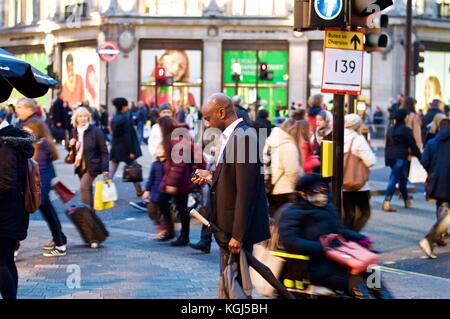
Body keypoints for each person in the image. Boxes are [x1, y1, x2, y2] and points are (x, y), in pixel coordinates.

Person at [192, 93, 270, 296]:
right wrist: (210, 176)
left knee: (237, 284)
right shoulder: (231, 136)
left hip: (235, 230)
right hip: (225, 226)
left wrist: (238, 234)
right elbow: (231, 177)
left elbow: (246, 190)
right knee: (229, 280)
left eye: (208, 118)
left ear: (221, 112)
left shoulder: (244, 137)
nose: (207, 124)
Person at [278, 174, 392, 299]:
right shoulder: (292, 212)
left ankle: (384, 296)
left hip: (339, 258)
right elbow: (291, 242)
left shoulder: (329, 208)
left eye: (324, 191)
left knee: (372, 273)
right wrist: (322, 248)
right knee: (357, 284)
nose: (321, 195)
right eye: (316, 192)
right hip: (314, 264)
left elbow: (339, 230)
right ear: (303, 193)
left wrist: (360, 239)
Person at [0, 119, 35, 299]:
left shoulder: (6, 145)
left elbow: (6, 183)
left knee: (2, 263)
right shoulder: (12, 139)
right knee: (6, 260)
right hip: (12, 211)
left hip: (6, 212)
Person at [23, 120, 68, 257]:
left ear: (36, 130)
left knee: (48, 213)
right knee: (50, 214)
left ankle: (60, 246)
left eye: (29, 131)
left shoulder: (40, 145)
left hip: (40, 185)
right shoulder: (43, 143)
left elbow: (39, 168)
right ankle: (60, 239)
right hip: (42, 185)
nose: (26, 134)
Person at [157, 116, 203, 246]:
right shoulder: (176, 136)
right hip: (179, 178)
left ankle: (182, 236)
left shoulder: (176, 139)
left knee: (179, 206)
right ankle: (174, 232)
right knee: (174, 205)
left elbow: (179, 164)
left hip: (180, 180)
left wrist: (171, 183)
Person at [419, 119, 450, 259]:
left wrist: (433, 172)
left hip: (437, 180)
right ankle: (430, 238)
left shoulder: (433, 142)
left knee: (445, 210)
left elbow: (424, 161)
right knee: (447, 214)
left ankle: (433, 239)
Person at [69, 107, 109, 210]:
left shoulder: (96, 131)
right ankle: (92, 219)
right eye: (80, 116)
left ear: (89, 117)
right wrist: (71, 145)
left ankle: (87, 215)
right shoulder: (74, 131)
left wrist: (105, 168)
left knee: (83, 188)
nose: (83, 118)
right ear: (76, 118)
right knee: (88, 190)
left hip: (92, 165)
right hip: (79, 166)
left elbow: (104, 151)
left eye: (85, 116)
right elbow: (72, 151)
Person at [342, 114, 377, 231]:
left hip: (342, 183)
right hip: (358, 185)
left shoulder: (337, 136)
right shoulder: (357, 139)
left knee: (348, 214)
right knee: (365, 213)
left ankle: (346, 238)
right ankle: (353, 237)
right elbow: (371, 161)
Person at [383, 109, 422, 212]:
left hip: (391, 156)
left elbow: (387, 146)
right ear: (405, 118)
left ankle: (407, 200)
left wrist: (386, 159)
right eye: (407, 116)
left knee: (402, 179)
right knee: (394, 178)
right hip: (401, 157)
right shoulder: (406, 130)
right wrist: (420, 157)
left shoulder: (390, 129)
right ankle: (387, 201)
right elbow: (412, 145)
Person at [264, 119, 304, 215]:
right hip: (286, 189)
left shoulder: (272, 141)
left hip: (272, 187)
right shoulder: (288, 145)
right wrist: (299, 186)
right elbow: (293, 171)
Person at [109, 98, 143, 197]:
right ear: (123, 107)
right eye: (126, 105)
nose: (127, 107)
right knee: (134, 170)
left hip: (115, 149)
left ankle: (105, 192)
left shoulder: (114, 118)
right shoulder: (125, 118)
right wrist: (131, 151)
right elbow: (128, 136)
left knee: (111, 172)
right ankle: (139, 190)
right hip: (126, 149)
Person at [142, 145, 166, 239]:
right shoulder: (155, 163)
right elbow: (151, 178)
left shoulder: (168, 163)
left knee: (164, 213)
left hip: (165, 193)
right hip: (154, 192)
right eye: (158, 148)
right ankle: (162, 228)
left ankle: (163, 231)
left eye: (161, 148)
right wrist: (147, 190)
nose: (159, 150)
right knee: (151, 211)